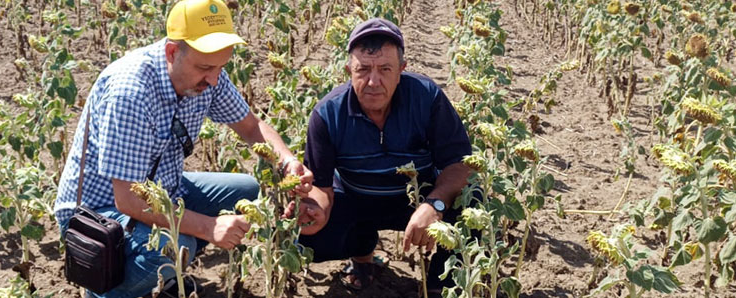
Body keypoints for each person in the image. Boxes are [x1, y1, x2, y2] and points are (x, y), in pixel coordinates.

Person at [51, 0, 313, 297]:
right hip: (99, 216)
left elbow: (251, 127)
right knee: (176, 244)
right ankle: (106, 288)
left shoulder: (208, 74)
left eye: (220, 67)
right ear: (172, 52)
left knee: (248, 191)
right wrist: (209, 226)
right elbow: (127, 200)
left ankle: (157, 275)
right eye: (205, 68)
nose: (214, 79)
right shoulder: (130, 93)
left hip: (164, 188)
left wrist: (287, 161)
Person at [294, 18, 474, 293]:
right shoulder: (327, 114)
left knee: (473, 204)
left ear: (401, 70)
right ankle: (362, 253)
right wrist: (314, 209)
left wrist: (434, 205)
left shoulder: (427, 98)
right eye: (363, 69)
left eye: (385, 69)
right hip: (356, 200)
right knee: (307, 239)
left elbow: (459, 164)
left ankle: (443, 283)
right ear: (348, 70)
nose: (373, 81)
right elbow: (322, 187)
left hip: (418, 199)